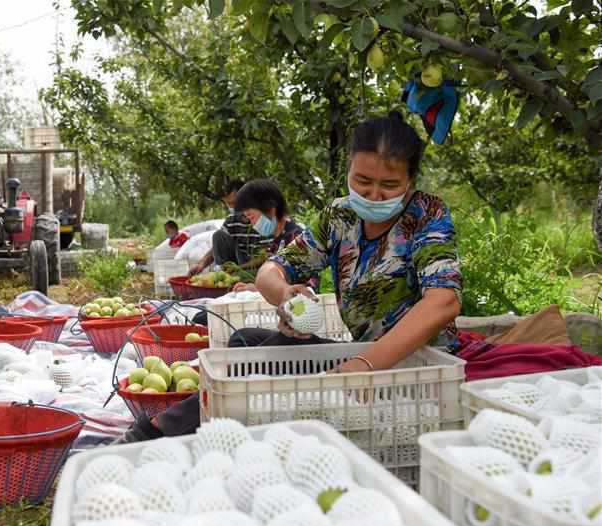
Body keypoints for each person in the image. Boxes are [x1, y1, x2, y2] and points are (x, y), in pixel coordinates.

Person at [117, 111, 462, 442]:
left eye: (389, 185)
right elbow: (273, 269)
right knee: (245, 342)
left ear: (410, 182)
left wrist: (364, 364)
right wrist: (285, 295)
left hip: (413, 369)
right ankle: (227, 426)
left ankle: (164, 428)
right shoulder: (339, 216)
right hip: (363, 356)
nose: (373, 195)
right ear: (348, 171)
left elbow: (443, 302)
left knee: (277, 351)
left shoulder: (426, 214)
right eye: (363, 181)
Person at [228, 179, 307, 292]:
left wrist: (258, 290)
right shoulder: (278, 240)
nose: (252, 224)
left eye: (252, 217)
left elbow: (298, 288)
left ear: (270, 209)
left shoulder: (295, 238)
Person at [188, 179, 272, 275]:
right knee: (219, 235)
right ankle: (224, 273)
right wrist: (201, 265)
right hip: (239, 263)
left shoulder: (264, 220)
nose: (232, 207)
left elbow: (265, 256)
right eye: (229, 204)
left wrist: (238, 269)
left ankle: (235, 275)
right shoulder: (232, 219)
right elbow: (217, 246)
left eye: (234, 202)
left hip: (259, 267)